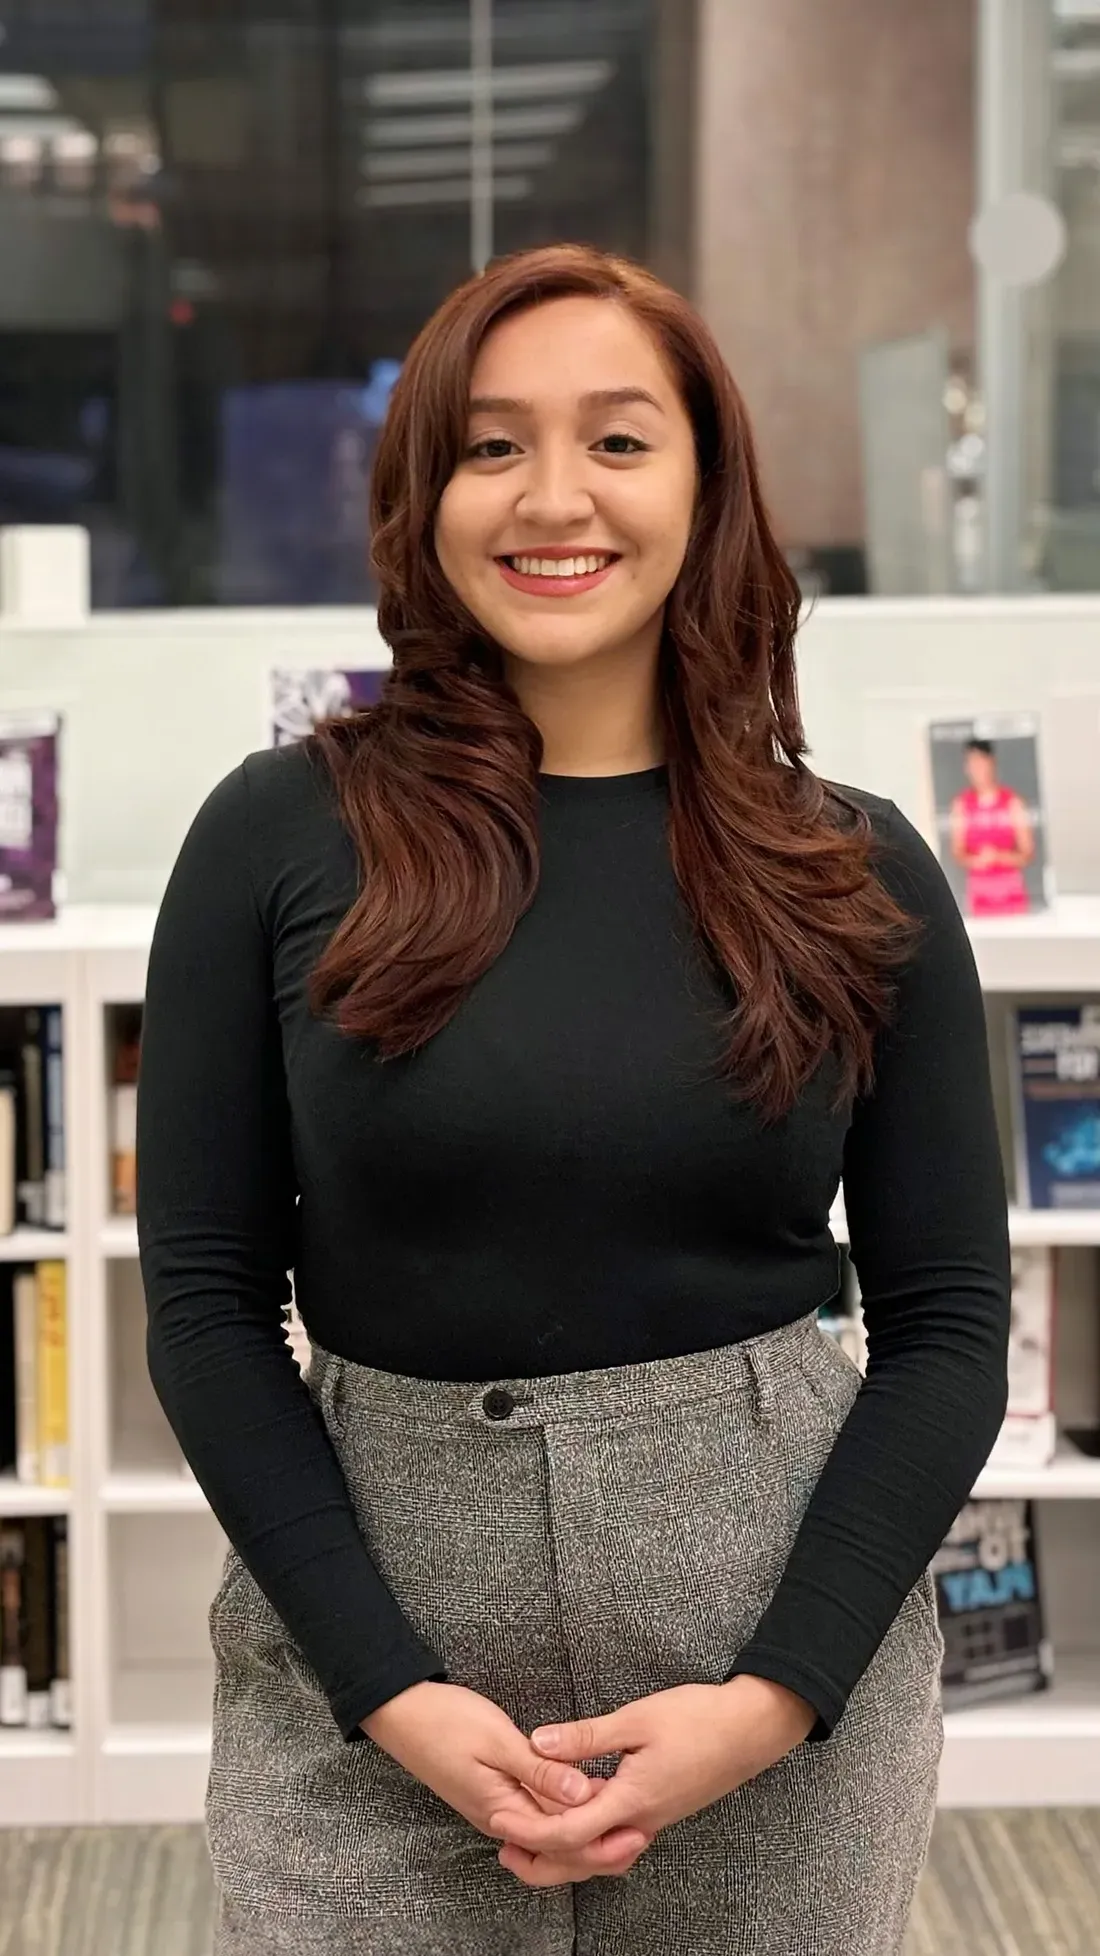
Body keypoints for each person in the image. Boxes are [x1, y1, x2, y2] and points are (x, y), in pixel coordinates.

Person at [135, 244, 1012, 1956]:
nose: (555, 499)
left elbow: (950, 1323)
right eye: (490, 445)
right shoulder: (278, 836)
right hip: (373, 1681)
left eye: (618, 441)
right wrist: (387, 1688)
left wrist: (772, 1698)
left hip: (775, 1680)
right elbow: (207, 1304)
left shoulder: (852, 867)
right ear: (425, 492)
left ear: (706, 482)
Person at [949, 736, 1035, 916]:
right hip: (979, 893)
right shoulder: (962, 804)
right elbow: (957, 851)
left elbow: (1027, 853)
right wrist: (976, 860)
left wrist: (998, 857)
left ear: (991, 763)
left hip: (1011, 891)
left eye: (980, 763)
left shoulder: (1012, 802)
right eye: (971, 764)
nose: (976, 770)